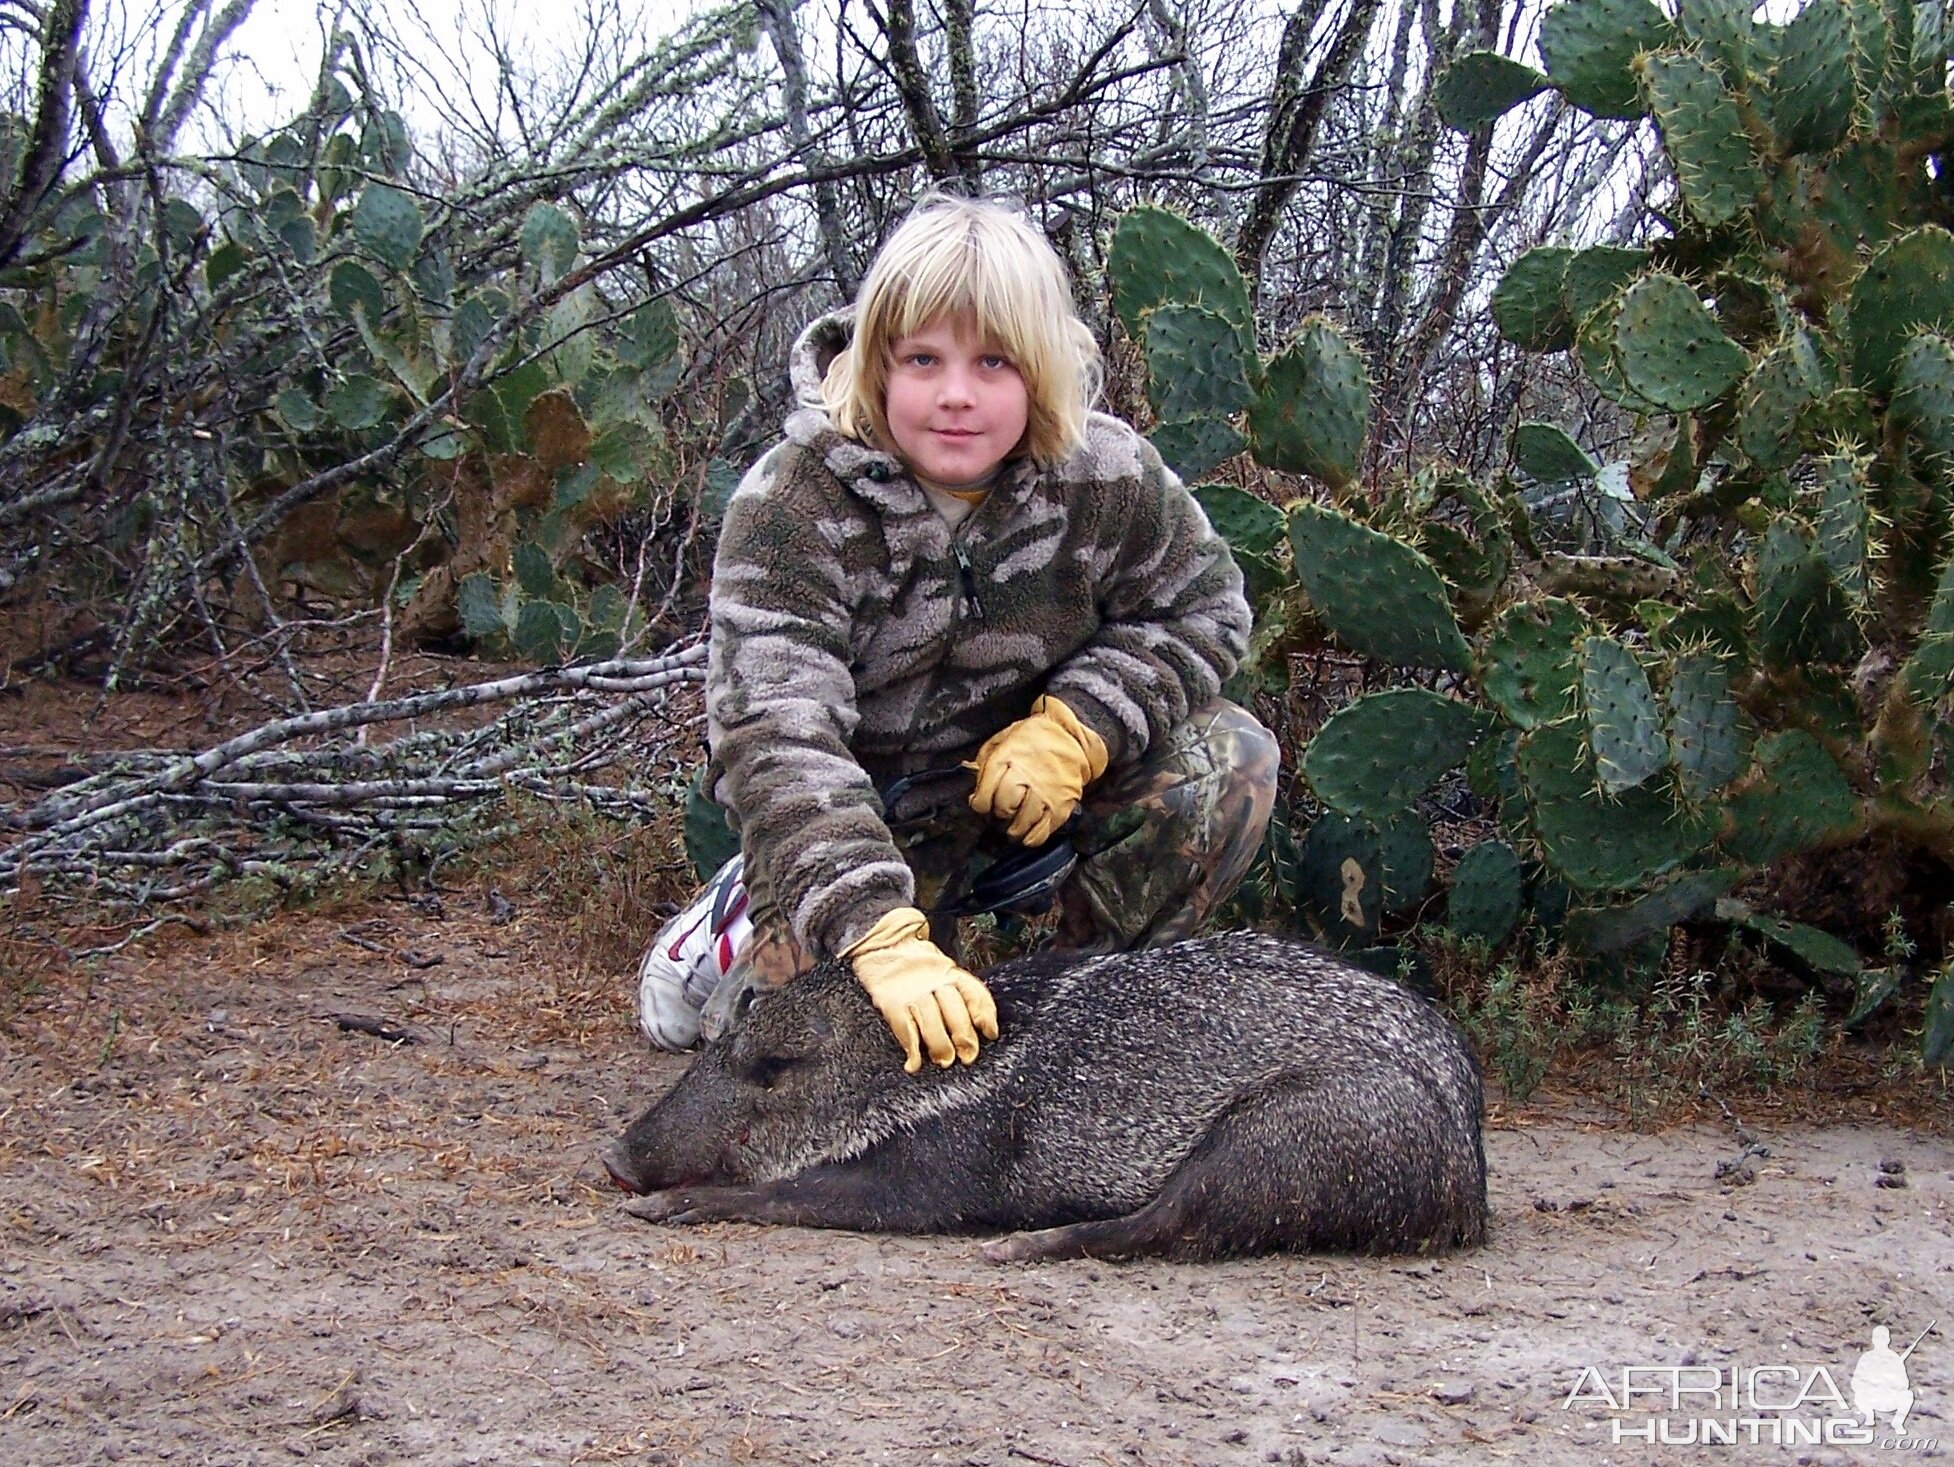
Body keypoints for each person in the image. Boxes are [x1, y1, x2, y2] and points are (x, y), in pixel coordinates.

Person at [638, 192, 1278, 1071]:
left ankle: (1065, 1032)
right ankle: (743, 915)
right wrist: (878, 932)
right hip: (865, 816)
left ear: (1041, 370)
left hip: (1025, 803)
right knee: (790, 1068)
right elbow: (774, 732)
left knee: (1231, 758)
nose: (955, 397)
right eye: (923, 360)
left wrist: (1077, 729)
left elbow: (1206, 609)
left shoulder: (1108, 474)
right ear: (877, 365)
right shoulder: (791, 500)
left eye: (993, 363)